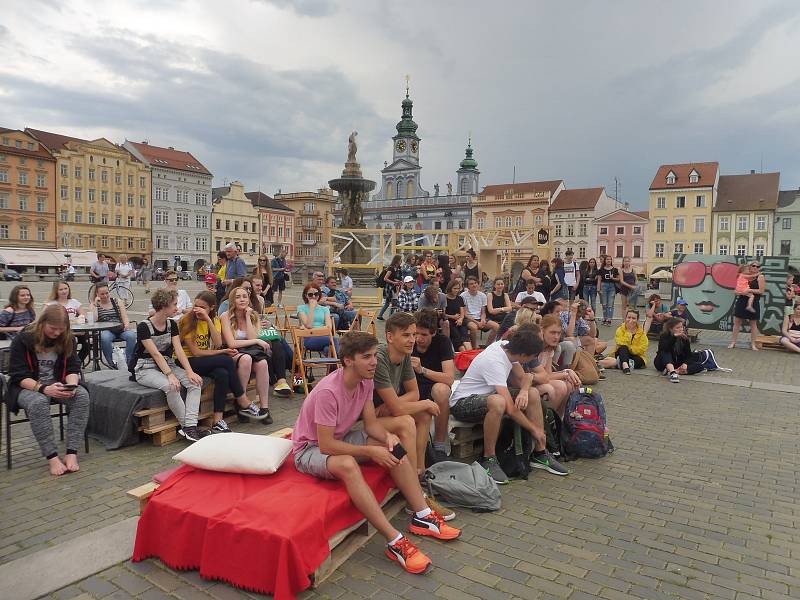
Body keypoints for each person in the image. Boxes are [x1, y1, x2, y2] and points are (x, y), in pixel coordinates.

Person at [292, 331, 461, 575]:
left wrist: (386, 437)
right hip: (309, 448)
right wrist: (370, 450)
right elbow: (326, 445)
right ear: (349, 360)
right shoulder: (328, 391)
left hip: (338, 438)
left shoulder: (365, 381)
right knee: (348, 464)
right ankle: (394, 541)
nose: (374, 362)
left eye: (374, 356)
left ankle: (422, 515)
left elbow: (371, 425)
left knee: (393, 445)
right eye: (367, 357)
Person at [449, 323, 568, 485]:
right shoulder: (495, 361)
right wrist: (534, 429)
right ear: (525, 355)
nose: (533, 361)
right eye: (533, 357)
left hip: (487, 396)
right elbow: (511, 409)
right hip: (462, 403)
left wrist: (525, 390)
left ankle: (540, 452)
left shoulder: (507, 348)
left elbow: (524, 379)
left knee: (533, 393)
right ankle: (488, 459)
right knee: (499, 402)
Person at [7, 305, 90, 476]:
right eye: (53, 329)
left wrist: (72, 386)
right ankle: (52, 457)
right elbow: (18, 376)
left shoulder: (68, 339)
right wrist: (44, 389)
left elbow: (72, 368)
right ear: (42, 323)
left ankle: (71, 452)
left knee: (82, 396)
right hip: (28, 385)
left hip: (57, 384)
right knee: (38, 402)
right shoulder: (23, 340)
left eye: (61, 329)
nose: (57, 333)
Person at [130, 289, 208, 441]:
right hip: (145, 368)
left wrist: (190, 372)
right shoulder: (144, 327)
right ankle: (188, 428)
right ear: (163, 306)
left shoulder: (172, 324)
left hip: (167, 363)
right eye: (174, 305)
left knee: (195, 383)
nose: (177, 308)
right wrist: (170, 376)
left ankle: (191, 426)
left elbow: (178, 350)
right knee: (171, 386)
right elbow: (155, 354)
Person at [179, 291, 258, 433]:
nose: (197, 309)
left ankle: (217, 419)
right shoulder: (187, 320)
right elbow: (196, 352)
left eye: (202, 307)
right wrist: (222, 352)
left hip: (202, 360)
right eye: (195, 305)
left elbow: (217, 342)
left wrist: (208, 320)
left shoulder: (214, 320)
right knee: (226, 360)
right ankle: (242, 399)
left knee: (222, 374)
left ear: (212, 307)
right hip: (187, 360)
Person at [372, 314, 438, 481]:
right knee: (407, 421)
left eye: (413, 335)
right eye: (406, 335)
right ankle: (412, 482)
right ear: (389, 337)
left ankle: (420, 469)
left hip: (382, 413)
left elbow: (414, 394)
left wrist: (394, 404)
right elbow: (401, 407)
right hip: (364, 421)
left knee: (424, 414)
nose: (412, 340)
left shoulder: (405, 354)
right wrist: (425, 402)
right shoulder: (379, 359)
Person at [220, 286, 274, 423]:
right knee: (246, 359)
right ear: (232, 300)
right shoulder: (225, 316)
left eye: (244, 296)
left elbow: (251, 337)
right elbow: (231, 343)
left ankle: (264, 408)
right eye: (238, 297)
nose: (242, 299)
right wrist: (256, 340)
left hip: (249, 350)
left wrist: (248, 317)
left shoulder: (253, 315)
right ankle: (241, 401)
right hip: (230, 352)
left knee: (262, 363)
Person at [413, 310, 455, 465]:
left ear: (433, 333)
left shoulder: (442, 342)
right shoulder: (409, 340)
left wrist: (422, 370)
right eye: (415, 333)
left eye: (424, 335)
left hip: (432, 385)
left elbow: (449, 378)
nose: (418, 339)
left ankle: (439, 445)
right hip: (412, 387)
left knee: (442, 391)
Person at [91, 283, 137, 368]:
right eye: (102, 294)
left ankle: (129, 361)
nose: (105, 296)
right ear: (97, 294)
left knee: (131, 335)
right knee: (104, 338)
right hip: (106, 330)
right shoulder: (95, 305)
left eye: (107, 293)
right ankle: (112, 363)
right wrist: (95, 304)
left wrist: (126, 324)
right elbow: (93, 320)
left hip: (119, 328)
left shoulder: (117, 301)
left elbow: (125, 317)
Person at [538, 314, 581, 404]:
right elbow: (544, 377)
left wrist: (568, 372)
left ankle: (559, 416)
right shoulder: (535, 347)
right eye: (552, 332)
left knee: (569, 384)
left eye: (558, 333)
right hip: (530, 383)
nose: (556, 337)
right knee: (561, 386)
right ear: (542, 331)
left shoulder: (549, 349)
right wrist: (565, 374)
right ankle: (549, 416)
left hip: (541, 380)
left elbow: (548, 373)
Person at [654, 317, 705, 382]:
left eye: (681, 327)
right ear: (670, 329)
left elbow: (688, 355)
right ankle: (672, 373)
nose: (681, 329)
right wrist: (674, 337)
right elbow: (664, 348)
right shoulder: (664, 336)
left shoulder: (684, 338)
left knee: (700, 366)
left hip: (677, 363)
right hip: (663, 363)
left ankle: (675, 371)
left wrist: (685, 363)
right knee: (665, 352)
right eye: (677, 328)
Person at [728, 261, 765, 351]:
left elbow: (761, 291)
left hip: (754, 302)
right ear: (750, 266)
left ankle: (753, 344)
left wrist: (749, 291)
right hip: (742, 300)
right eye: (753, 265)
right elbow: (736, 291)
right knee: (737, 322)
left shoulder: (760, 277)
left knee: (753, 323)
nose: (755, 267)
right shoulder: (744, 275)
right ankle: (733, 342)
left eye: (758, 266)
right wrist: (741, 292)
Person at [296, 282, 340, 357]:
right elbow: (309, 325)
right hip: (308, 339)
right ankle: (341, 364)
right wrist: (312, 308)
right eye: (310, 294)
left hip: (323, 337)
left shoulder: (325, 309)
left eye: (316, 294)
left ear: (319, 295)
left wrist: (311, 330)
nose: (313, 296)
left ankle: (333, 367)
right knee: (334, 340)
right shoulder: (301, 308)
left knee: (328, 350)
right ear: (306, 296)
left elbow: (329, 327)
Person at [461, 276, 499, 347]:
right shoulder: (463, 296)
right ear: (468, 286)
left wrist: (482, 319)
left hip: (479, 318)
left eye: (475, 283)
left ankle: (487, 347)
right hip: (468, 318)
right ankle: (474, 348)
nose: (474, 285)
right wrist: (477, 322)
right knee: (474, 327)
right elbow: (465, 314)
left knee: (496, 326)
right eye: (471, 284)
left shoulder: (482, 295)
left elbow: (483, 312)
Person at [444, 279, 471, 351]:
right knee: (457, 336)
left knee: (465, 335)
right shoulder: (444, 298)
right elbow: (443, 314)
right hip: (449, 321)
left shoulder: (459, 298)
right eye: (454, 288)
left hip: (460, 320)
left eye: (458, 288)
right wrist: (452, 317)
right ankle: (462, 352)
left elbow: (462, 311)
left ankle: (469, 353)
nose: (456, 290)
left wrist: (461, 319)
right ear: (450, 288)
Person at [378, 254, 403, 321]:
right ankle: (390, 318)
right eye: (400, 260)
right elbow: (385, 278)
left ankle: (380, 315)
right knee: (394, 302)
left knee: (387, 302)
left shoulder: (398, 268)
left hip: (394, 287)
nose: (401, 261)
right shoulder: (391, 268)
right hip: (389, 287)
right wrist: (394, 282)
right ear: (397, 260)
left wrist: (398, 281)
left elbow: (394, 277)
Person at [598, 255, 620, 325]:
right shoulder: (601, 270)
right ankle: (604, 318)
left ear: (611, 261)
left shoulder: (615, 270)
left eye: (610, 259)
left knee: (610, 304)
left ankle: (609, 319)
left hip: (612, 287)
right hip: (604, 286)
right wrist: (598, 289)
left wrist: (613, 278)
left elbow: (618, 279)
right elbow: (599, 280)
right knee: (604, 304)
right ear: (605, 261)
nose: (608, 261)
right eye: (607, 259)